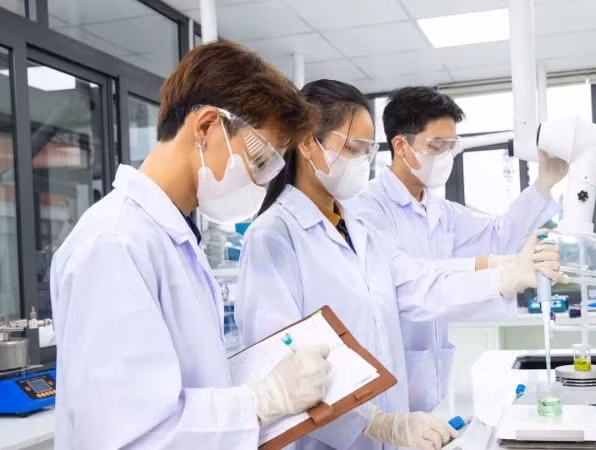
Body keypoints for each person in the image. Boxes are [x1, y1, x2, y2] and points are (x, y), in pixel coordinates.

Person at [235, 79, 562, 450]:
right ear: (308, 143)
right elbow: (279, 368)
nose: (361, 162)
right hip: (326, 440)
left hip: (388, 431)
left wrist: (504, 275)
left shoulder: (358, 228)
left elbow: (418, 283)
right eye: (352, 149)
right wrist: (372, 422)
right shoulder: (274, 236)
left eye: (366, 151)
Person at [49, 41, 332, 449]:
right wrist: (261, 400)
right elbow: (130, 436)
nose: (262, 182)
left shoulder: (171, 237)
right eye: (259, 161)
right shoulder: (115, 245)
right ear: (206, 128)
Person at [347, 86, 568, 412]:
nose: (444, 156)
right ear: (400, 145)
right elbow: (411, 288)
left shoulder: (441, 211)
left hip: (431, 385)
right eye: (436, 146)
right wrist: (501, 275)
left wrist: (544, 183)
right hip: (385, 391)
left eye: (450, 147)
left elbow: (500, 234)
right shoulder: (368, 211)